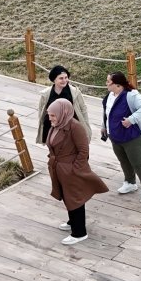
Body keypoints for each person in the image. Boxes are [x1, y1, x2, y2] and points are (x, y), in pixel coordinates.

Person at [46, 100, 108, 245]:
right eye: (49, 115)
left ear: (63, 113)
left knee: (74, 198)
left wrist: (75, 169)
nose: (50, 119)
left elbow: (84, 150)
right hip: (59, 168)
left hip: (70, 170)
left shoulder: (75, 127)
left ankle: (79, 232)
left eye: (53, 115)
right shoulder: (58, 124)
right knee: (67, 196)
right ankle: (72, 221)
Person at [101, 72, 141, 203]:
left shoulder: (131, 95)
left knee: (138, 163)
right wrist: (104, 126)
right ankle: (130, 183)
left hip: (132, 137)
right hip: (115, 136)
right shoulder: (109, 96)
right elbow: (107, 113)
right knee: (124, 160)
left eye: (109, 81)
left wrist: (131, 119)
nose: (106, 83)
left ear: (118, 85)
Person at [35, 64, 91, 145]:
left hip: (71, 127)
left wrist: (86, 125)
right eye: (61, 78)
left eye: (66, 77)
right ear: (54, 80)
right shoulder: (46, 94)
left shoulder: (75, 92)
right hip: (53, 127)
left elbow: (83, 109)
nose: (64, 80)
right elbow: (41, 111)